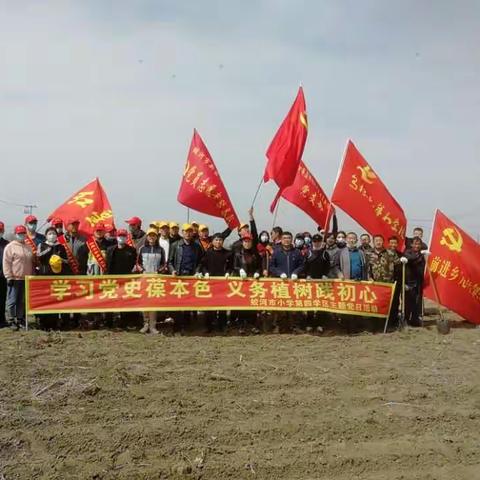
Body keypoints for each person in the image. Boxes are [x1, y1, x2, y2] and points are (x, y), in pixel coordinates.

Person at [168, 223, 203, 333]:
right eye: (185, 231)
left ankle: (187, 324)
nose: (187, 234)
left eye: (190, 231)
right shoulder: (175, 245)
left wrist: (197, 272)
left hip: (191, 277)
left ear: (193, 233)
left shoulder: (197, 246)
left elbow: (200, 262)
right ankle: (177, 324)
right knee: (177, 302)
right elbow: (169, 261)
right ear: (182, 233)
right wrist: (172, 270)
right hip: (178, 277)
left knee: (189, 301)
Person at [269, 232, 305, 333]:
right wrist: (279, 273)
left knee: (294, 306)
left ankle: (295, 327)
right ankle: (279, 327)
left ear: (292, 239)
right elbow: (271, 266)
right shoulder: (276, 252)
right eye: (284, 238)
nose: (286, 240)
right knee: (280, 306)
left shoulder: (297, 252)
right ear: (281, 239)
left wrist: (296, 272)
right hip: (281, 284)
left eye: (289, 238)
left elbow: (302, 265)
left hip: (294, 283)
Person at [197, 233, 232, 333]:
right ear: (212, 241)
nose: (218, 242)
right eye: (216, 240)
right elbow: (202, 265)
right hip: (211, 282)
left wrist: (228, 273)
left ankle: (223, 325)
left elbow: (231, 266)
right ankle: (208, 325)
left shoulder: (228, 253)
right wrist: (205, 273)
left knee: (222, 305)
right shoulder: (208, 253)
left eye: (220, 240)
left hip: (223, 283)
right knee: (210, 305)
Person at [36, 227, 70, 330]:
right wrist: (49, 249)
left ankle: (55, 323)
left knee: (56, 300)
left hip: (57, 277)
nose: (52, 235)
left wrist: (60, 259)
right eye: (50, 233)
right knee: (46, 300)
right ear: (46, 235)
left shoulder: (61, 247)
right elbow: (39, 257)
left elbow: (67, 261)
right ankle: (44, 323)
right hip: (45, 276)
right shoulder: (42, 245)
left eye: (54, 233)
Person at [2, 225, 35, 330]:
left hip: (26, 278)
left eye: (23, 233)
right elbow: (6, 263)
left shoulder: (28, 247)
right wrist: (8, 276)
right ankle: (11, 319)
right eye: (19, 234)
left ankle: (20, 318)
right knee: (12, 300)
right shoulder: (10, 246)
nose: (21, 235)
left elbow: (32, 262)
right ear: (15, 234)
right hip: (15, 278)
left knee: (22, 301)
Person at [137, 228, 166, 334]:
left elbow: (164, 264)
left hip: (155, 279)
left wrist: (158, 271)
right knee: (144, 302)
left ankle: (153, 326)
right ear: (147, 237)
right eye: (150, 235)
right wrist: (143, 271)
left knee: (153, 303)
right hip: (144, 278)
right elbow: (138, 263)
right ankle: (145, 324)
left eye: (154, 235)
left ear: (156, 237)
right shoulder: (142, 249)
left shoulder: (161, 249)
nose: (152, 237)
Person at [232, 232, 262, 334]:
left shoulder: (255, 254)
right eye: (245, 241)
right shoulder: (237, 254)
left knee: (252, 304)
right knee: (242, 304)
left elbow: (259, 266)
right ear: (242, 242)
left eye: (249, 241)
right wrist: (240, 270)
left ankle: (253, 324)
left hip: (253, 282)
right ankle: (241, 325)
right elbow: (234, 266)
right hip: (242, 281)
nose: (247, 243)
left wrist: (258, 273)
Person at [401, 237, 429, 327]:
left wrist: (424, 255)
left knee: (417, 302)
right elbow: (411, 259)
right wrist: (420, 255)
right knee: (407, 302)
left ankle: (415, 319)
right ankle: (405, 320)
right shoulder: (407, 252)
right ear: (411, 244)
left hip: (419, 281)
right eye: (415, 244)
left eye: (418, 244)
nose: (416, 246)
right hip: (409, 282)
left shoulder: (422, 254)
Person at [387, 235, 403, 328]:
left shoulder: (400, 255)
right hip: (387, 282)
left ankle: (394, 320)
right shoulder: (385, 253)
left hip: (397, 281)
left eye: (395, 243)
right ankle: (386, 320)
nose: (393, 244)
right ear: (388, 244)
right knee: (387, 301)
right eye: (391, 243)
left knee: (396, 301)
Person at [0, 222, 9, 328]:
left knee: (2, 298)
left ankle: (2, 320)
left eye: (1, 230)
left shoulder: (7, 244)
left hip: (3, 275)